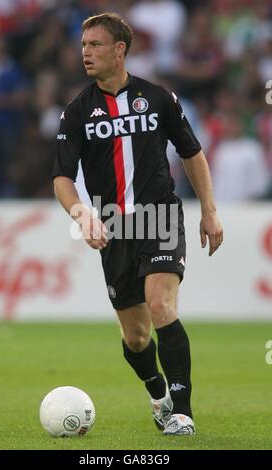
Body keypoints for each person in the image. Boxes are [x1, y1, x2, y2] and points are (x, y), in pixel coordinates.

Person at [53, 12, 223, 436]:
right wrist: (81, 213)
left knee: (162, 304)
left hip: (160, 215)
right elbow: (61, 179)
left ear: (119, 49)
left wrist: (210, 210)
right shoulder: (77, 111)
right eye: (83, 45)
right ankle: (158, 393)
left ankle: (182, 411)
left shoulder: (159, 98)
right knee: (135, 337)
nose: (85, 52)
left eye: (94, 44)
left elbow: (191, 152)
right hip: (113, 226)